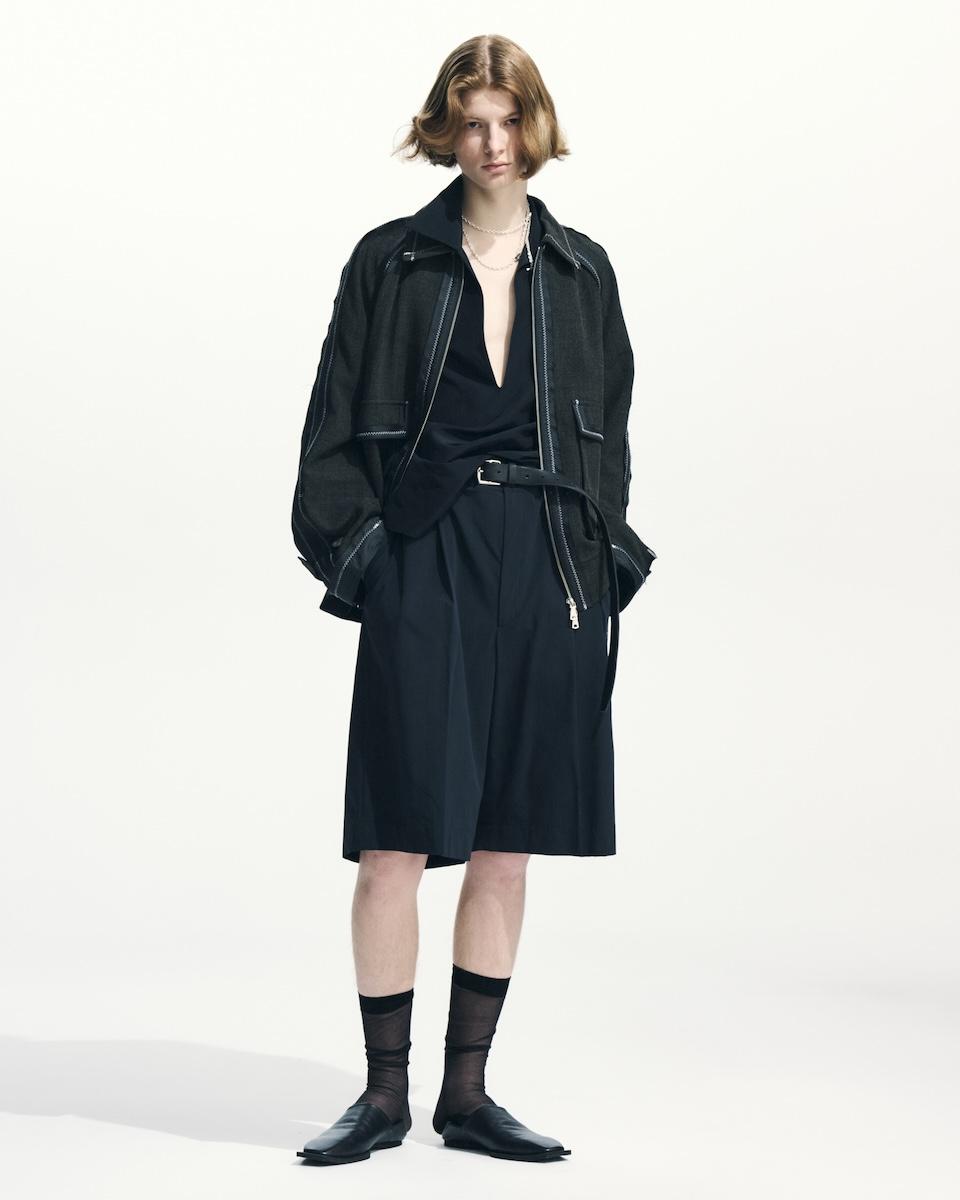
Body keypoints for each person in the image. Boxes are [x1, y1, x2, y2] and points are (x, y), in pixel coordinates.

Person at [291, 34, 656, 1167]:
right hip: (427, 553)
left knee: (508, 842)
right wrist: (370, 562)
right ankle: (381, 1097)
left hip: (545, 564)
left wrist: (597, 569)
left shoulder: (583, 271)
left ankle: (467, 1095)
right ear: (444, 132)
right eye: (472, 124)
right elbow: (331, 431)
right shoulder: (391, 262)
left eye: (509, 121)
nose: (493, 145)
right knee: (396, 838)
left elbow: (610, 442)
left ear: (535, 126)